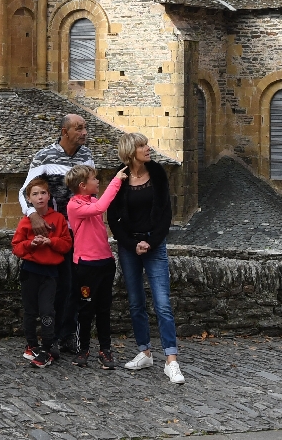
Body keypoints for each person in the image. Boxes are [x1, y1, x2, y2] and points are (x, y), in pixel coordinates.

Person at [107, 132, 185, 385]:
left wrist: (151, 242)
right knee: (136, 302)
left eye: (146, 144)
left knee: (162, 303)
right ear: (131, 152)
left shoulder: (158, 173)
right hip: (130, 247)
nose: (147, 148)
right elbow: (113, 218)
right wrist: (132, 244)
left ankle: (171, 360)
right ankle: (144, 351)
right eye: (142, 146)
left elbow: (165, 213)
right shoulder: (120, 177)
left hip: (154, 243)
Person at [18, 114, 94, 354]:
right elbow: (25, 191)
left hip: (79, 234)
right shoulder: (45, 156)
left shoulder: (86, 156)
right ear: (65, 132)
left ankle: (67, 335)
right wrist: (33, 215)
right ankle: (44, 338)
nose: (84, 132)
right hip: (53, 232)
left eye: (85, 128)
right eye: (79, 128)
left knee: (74, 286)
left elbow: (90, 193)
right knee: (53, 286)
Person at [65, 163, 128, 369]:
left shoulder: (91, 200)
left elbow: (100, 204)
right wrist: (116, 180)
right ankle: (83, 349)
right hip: (86, 266)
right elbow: (100, 208)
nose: (97, 181)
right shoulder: (74, 205)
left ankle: (105, 349)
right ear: (83, 185)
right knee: (86, 309)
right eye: (94, 179)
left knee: (103, 309)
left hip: (105, 262)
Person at [12, 176, 72, 368]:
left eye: (43, 193)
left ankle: (48, 346)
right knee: (30, 311)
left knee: (47, 310)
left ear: (49, 196)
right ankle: (31, 345)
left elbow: (66, 244)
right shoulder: (25, 222)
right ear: (29, 199)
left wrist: (50, 242)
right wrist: (31, 244)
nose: (39, 197)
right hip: (30, 271)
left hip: (50, 273)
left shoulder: (58, 219)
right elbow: (17, 247)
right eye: (35, 194)